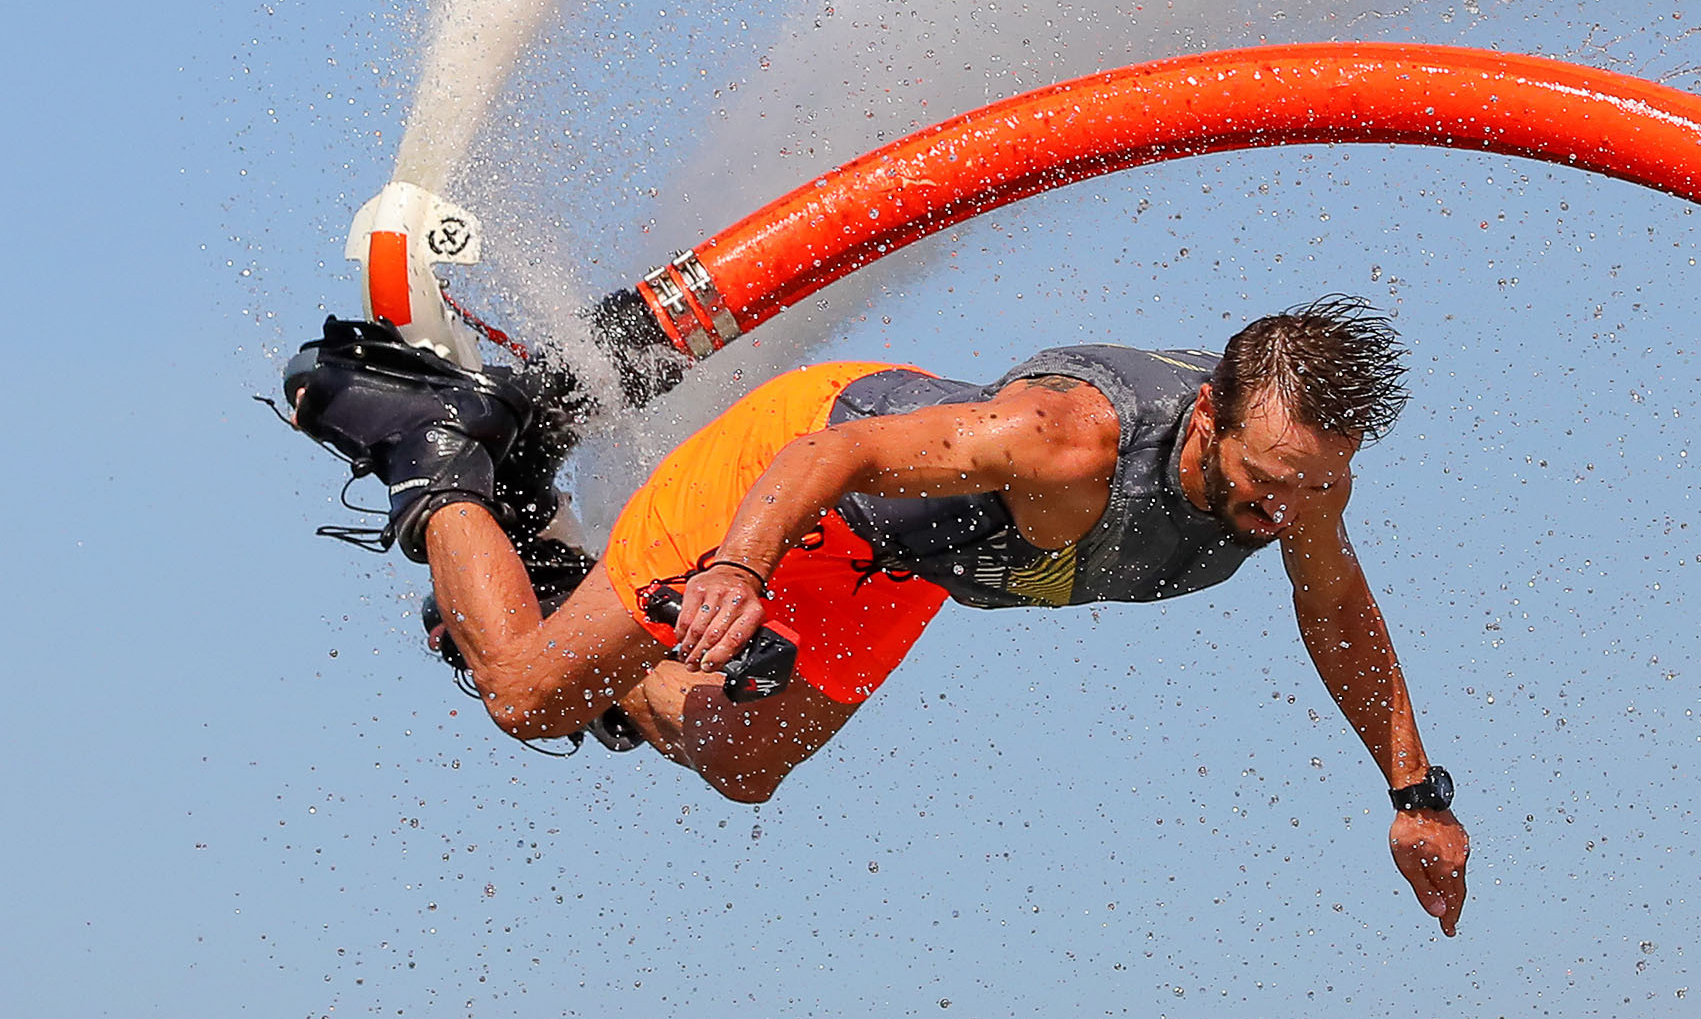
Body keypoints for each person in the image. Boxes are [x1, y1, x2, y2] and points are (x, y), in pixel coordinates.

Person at [285, 297, 1470, 934]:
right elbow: (836, 448)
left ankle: (570, 588)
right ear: (1209, 411)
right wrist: (742, 568)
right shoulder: (1060, 436)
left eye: (1309, 484)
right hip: (800, 483)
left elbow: (1338, 612)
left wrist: (1412, 794)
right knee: (526, 696)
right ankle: (428, 447)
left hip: (902, 569)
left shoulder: (1306, 485)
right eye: (1261, 477)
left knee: (742, 765)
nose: (1280, 510)